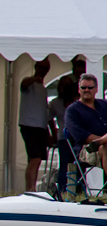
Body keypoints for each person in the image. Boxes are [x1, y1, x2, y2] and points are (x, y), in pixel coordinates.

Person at [19, 58, 54, 192]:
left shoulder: (42, 88)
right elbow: (24, 84)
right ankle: (30, 189)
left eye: (45, 69)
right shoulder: (30, 83)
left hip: (40, 127)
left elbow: (46, 111)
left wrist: (50, 132)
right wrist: (35, 78)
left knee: (35, 159)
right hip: (29, 125)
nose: (43, 71)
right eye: (41, 68)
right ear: (36, 67)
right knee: (35, 158)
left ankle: (31, 188)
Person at [65, 73, 107, 175]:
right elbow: (80, 136)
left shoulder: (104, 104)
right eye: (83, 87)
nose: (86, 90)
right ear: (79, 90)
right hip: (87, 149)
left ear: (96, 89)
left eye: (90, 87)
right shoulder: (72, 110)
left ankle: (103, 141)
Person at [49, 65, 81, 194]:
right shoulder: (56, 102)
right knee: (64, 165)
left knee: (79, 164)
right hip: (63, 137)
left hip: (77, 136)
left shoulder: (77, 102)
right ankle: (62, 190)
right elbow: (49, 117)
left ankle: (77, 189)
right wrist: (53, 131)